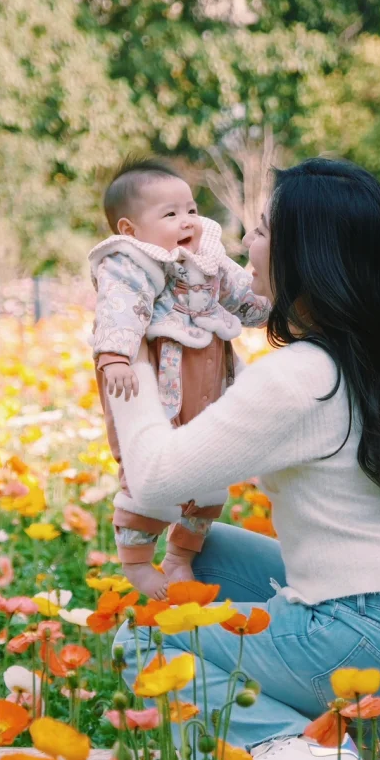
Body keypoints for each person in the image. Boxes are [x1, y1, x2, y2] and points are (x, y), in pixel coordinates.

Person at [109, 157, 380, 760]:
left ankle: (292, 746)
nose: (244, 243)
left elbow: (157, 478)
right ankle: (358, 744)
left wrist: (130, 355)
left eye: (264, 231)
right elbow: (229, 431)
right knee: (207, 554)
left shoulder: (301, 376)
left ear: (309, 256)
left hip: (372, 645)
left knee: (142, 633)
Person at [91, 158, 270, 591]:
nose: (187, 221)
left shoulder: (207, 255)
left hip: (211, 373)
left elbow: (240, 294)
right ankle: (136, 561)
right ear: (130, 229)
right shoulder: (130, 262)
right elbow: (119, 306)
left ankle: (180, 555)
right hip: (165, 377)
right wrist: (115, 355)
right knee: (151, 473)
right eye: (169, 214)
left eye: (190, 209)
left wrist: (272, 308)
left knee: (211, 472)